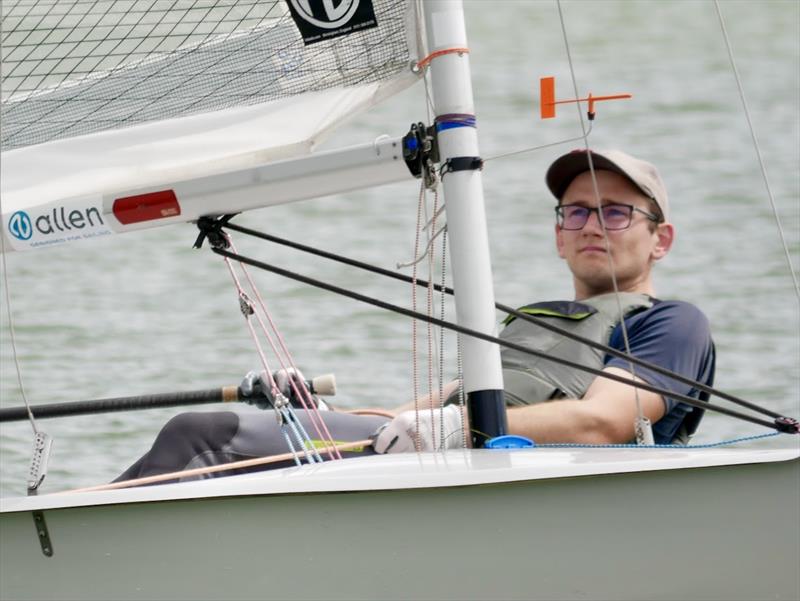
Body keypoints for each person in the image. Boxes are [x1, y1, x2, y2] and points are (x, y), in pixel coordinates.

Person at [115, 148, 714, 483]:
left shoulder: (672, 322)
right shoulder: (532, 322)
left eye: (613, 214)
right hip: (454, 459)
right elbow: (413, 415)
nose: (588, 227)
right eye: (574, 214)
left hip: (518, 475)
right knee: (204, 436)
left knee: (202, 435)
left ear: (660, 240)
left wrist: (457, 428)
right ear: (558, 236)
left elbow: (604, 423)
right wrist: (317, 413)